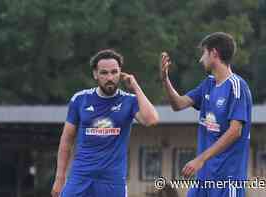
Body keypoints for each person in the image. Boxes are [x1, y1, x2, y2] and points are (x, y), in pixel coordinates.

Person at [51, 49, 159, 197]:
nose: (110, 77)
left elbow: (151, 120)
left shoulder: (129, 100)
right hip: (80, 177)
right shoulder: (80, 99)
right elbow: (66, 140)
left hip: (112, 180)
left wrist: (135, 86)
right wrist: (60, 177)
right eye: (104, 73)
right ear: (95, 74)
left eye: (114, 72)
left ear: (120, 73)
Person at [159, 32, 252, 197]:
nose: (201, 59)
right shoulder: (208, 84)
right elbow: (178, 104)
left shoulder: (237, 87)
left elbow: (235, 131)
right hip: (203, 180)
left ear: (214, 53)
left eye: (204, 53)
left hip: (226, 181)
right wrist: (165, 80)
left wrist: (200, 159)